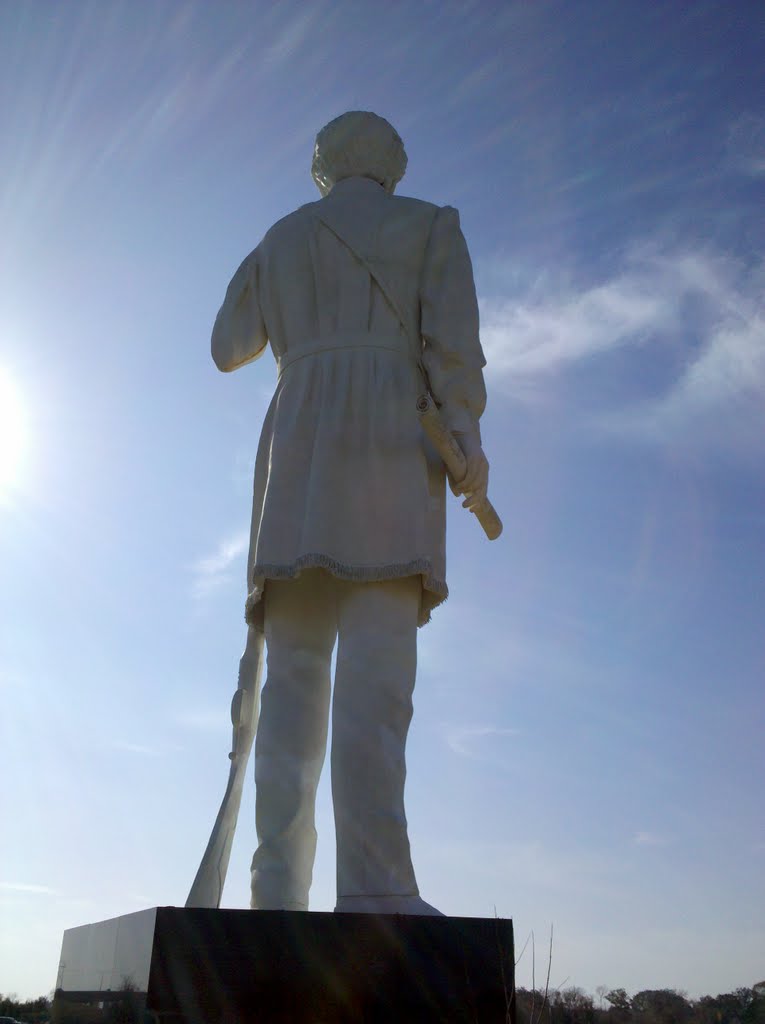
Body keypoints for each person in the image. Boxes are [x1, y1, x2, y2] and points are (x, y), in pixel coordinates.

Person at [211, 111, 489, 915]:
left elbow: (228, 346)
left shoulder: (283, 236)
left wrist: (272, 254)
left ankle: (275, 893)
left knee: (293, 682)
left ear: (322, 167)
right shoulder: (431, 226)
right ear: (392, 164)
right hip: (390, 440)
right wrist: (466, 436)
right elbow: (454, 350)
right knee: (376, 684)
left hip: (299, 440)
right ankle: (373, 890)